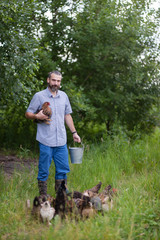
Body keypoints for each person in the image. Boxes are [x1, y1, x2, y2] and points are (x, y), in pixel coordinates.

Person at [25, 70, 81, 195]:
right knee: (44, 170)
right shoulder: (39, 96)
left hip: (61, 141)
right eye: (54, 80)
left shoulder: (64, 96)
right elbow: (28, 113)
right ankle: (43, 197)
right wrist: (37, 116)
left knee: (62, 169)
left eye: (58, 81)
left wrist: (74, 132)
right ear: (48, 80)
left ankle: (61, 197)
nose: (56, 83)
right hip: (45, 140)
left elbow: (67, 115)